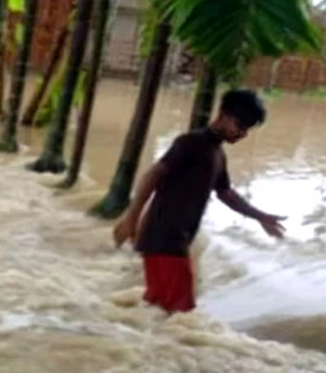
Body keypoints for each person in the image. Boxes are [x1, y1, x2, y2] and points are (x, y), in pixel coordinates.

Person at [113, 89, 286, 313]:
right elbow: (152, 176)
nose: (242, 134)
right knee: (180, 313)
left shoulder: (217, 154)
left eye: (246, 130)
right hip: (166, 238)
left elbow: (226, 193)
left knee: (158, 308)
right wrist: (131, 220)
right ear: (223, 116)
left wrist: (261, 216)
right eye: (240, 126)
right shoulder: (190, 143)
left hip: (169, 239)